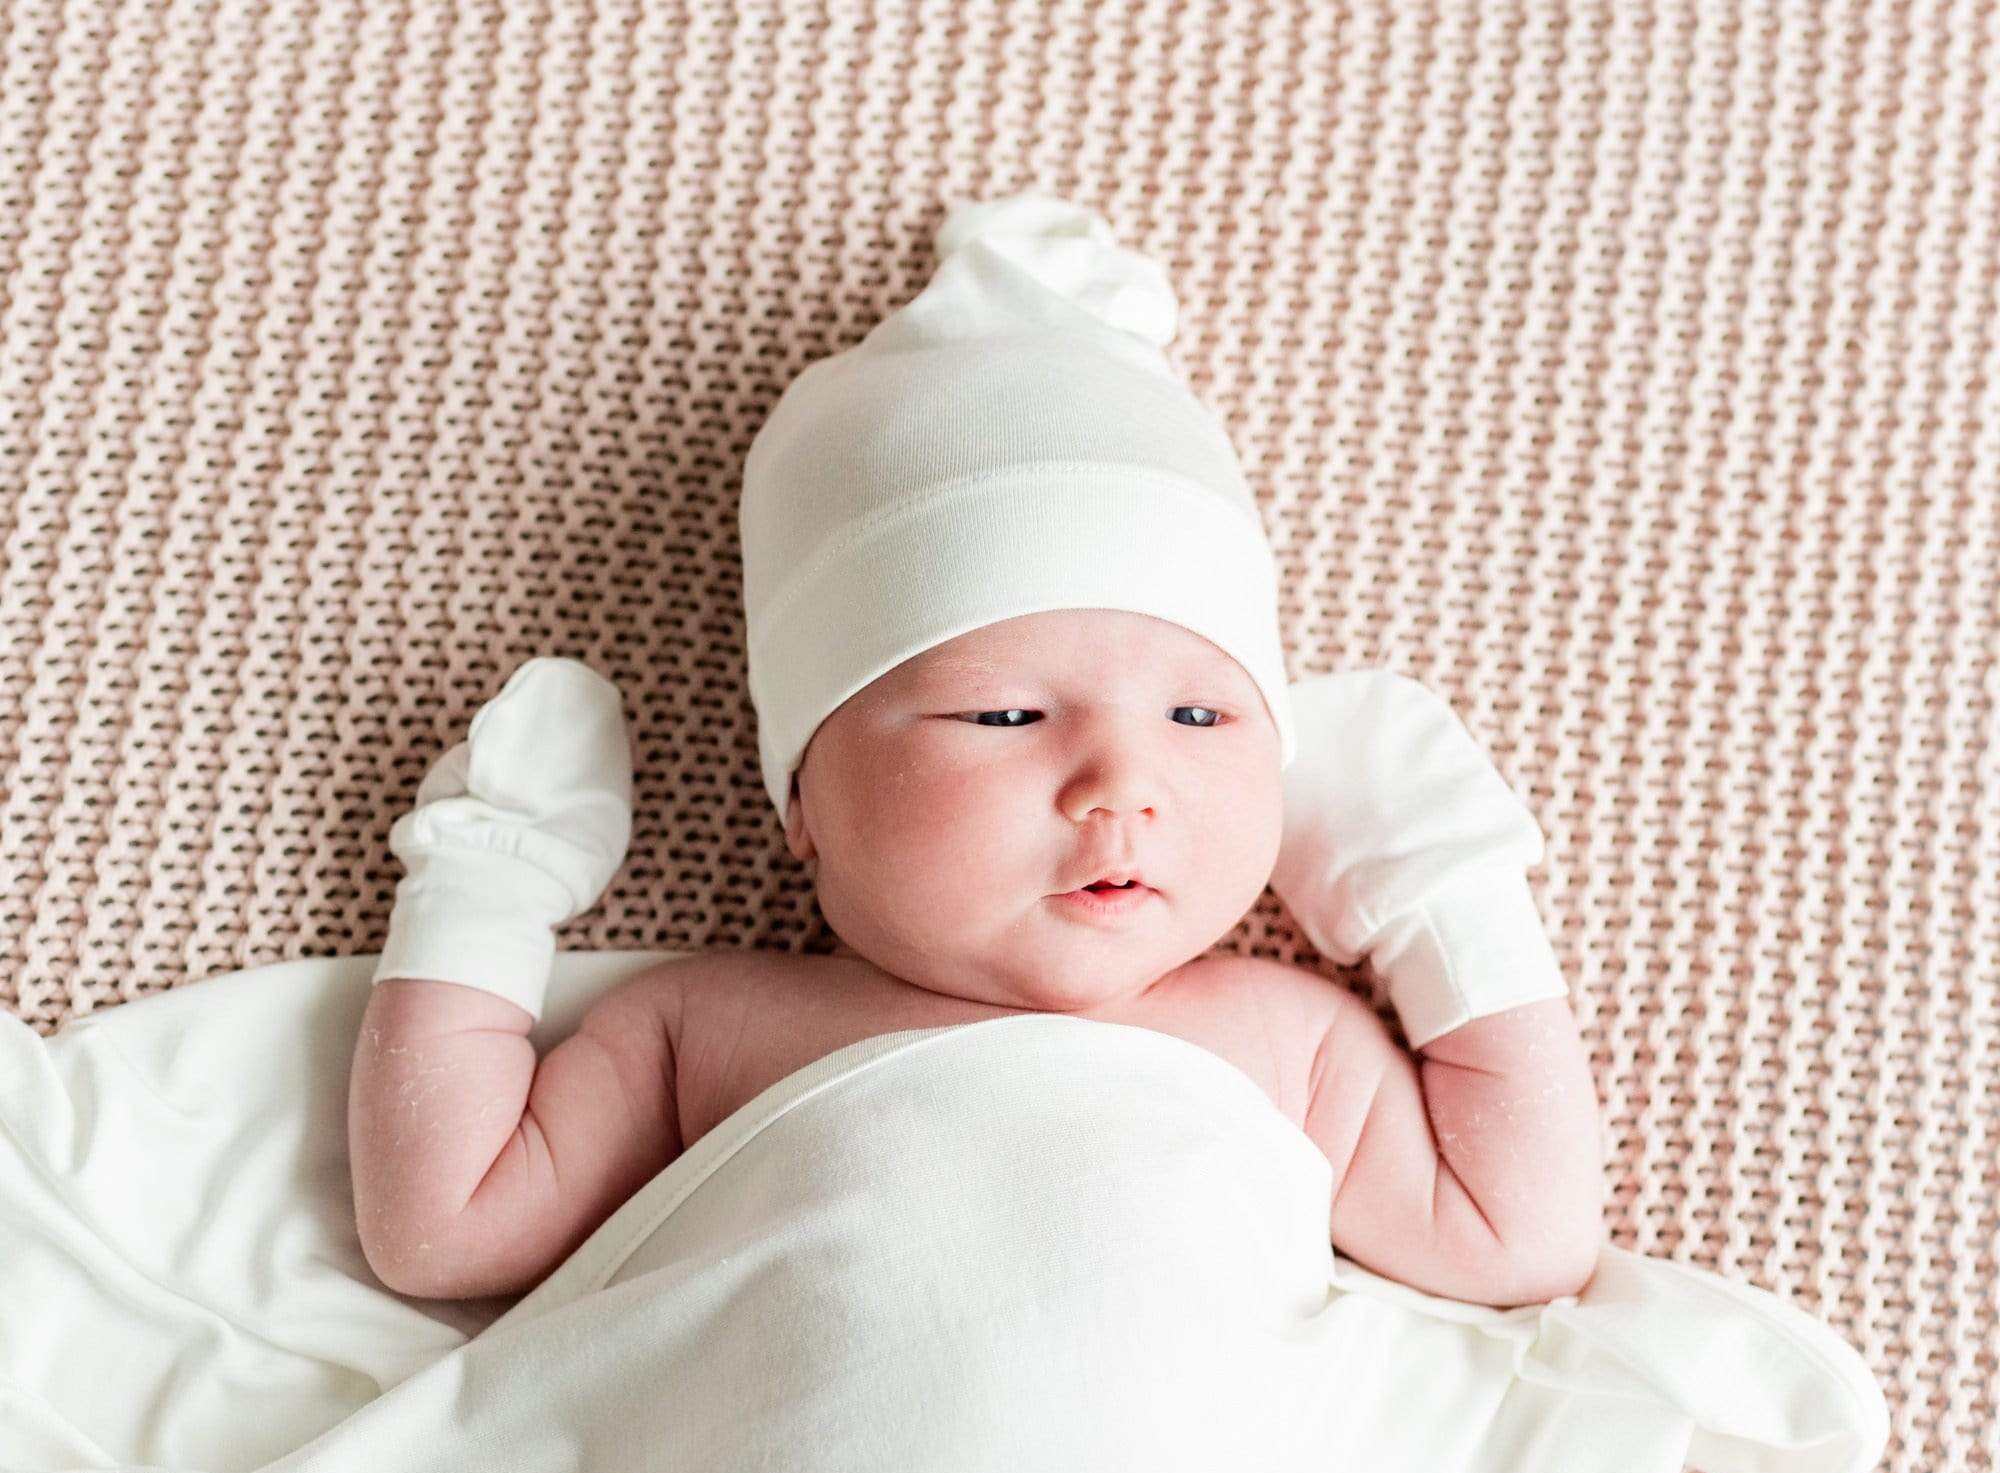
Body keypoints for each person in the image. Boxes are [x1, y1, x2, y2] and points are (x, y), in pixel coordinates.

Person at [348, 191, 1608, 1307]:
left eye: (1200, 716)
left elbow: (1522, 1238)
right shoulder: (710, 1031)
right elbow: (441, 1230)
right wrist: (486, 890)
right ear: (805, 801)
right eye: (1004, 714)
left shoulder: (1288, 1041)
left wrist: (1444, 901)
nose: (1121, 784)